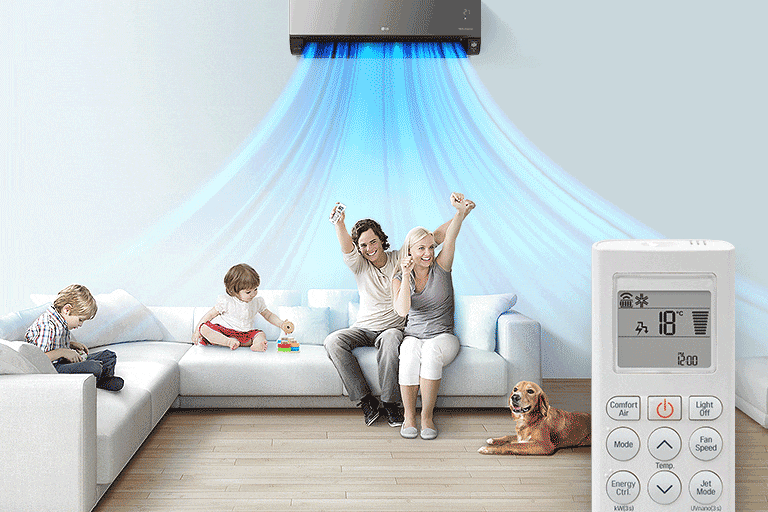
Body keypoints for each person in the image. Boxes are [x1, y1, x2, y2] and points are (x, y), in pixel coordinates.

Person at [324, 202, 453, 427]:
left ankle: (391, 404)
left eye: (373, 241)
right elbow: (346, 247)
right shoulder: (359, 265)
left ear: (381, 240)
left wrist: (461, 215)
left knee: (393, 338)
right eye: (363, 245)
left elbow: (434, 237)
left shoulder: (400, 257)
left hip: (392, 329)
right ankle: (366, 401)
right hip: (363, 328)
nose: (369, 248)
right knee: (333, 341)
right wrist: (339, 224)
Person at [392, 193, 475, 440]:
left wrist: (460, 213)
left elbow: (450, 238)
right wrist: (406, 276)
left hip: (443, 337)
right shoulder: (399, 278)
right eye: (421, 248)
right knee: (408, 352)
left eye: (430, 247)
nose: (428, 253)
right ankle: (409, 415)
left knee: (430, 352)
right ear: (410, 251)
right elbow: (402, 311)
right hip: (414, 336)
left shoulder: (442, 267)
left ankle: (427, 416)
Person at [26, 284, 124, 391]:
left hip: (63, 362)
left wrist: (71, 345)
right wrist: (63, 352)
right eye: (80, 320)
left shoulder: (61, 322)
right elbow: (38, 360)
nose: (80, 324)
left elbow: (52, 344)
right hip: (53, 369)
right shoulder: (47, 325)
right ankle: (98, 378)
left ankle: (100, 379)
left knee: (109, 356)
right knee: (94, 367)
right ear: (67, 309)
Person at [194, 263, 294, 350]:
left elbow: (269, 315)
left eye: (255, 289)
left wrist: (281, 324)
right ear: (234, 291)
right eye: (248, 292)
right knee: (204, 328)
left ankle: (257, 344)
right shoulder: (227, 301)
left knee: (260, 334)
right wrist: (197, 331)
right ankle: (228, 342)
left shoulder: (257, 302)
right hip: (225, 333)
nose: (253, 294)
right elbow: (210, 314)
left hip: (246, 336)